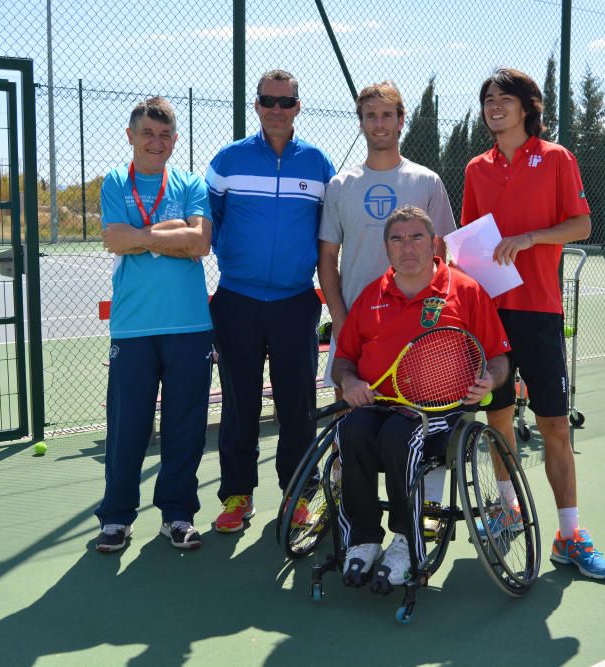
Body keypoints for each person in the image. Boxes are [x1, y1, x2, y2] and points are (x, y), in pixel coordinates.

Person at [461, 67, 605, 579]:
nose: (494, 106)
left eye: (504, 98)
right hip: (489, 315)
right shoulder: (475, 169)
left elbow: (582, 225)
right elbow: (468, 239)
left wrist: (529, 239)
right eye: (487, 100)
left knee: (553, 425)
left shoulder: (556, 159)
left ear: (528, 107)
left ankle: (569, 535)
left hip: (540, 312)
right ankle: (509, 509)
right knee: (498, 419)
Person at [333, 206, 510, 590]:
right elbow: (343, 361)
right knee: (352, 429)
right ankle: (363, 539)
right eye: (397, 239)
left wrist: (490, 381)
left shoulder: (465, 291)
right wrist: (348, 383)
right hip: (379, 405)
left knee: (401, 435)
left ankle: (405, 540)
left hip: (441, 413)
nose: (407, 247)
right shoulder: (371, 296)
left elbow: (498, 358)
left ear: (433, 244)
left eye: (416, 238)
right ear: (387, 249)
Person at [317, 80, 457, 536]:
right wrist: (342, 322)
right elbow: (327, 260)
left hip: (418, 331)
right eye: (370, 116)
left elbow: (445, 254)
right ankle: (344, 509)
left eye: (387, 115)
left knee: (419, 421)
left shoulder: (426, 181)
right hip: (358, 330)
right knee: (349, 424)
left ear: (401, 120)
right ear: (361, 124)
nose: (379, 124)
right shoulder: (341, 184)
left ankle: (424, 509)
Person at [205, 70, 336, 533]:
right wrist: (239, 261)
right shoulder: (229, 160)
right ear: (256, 106)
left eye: (286, 102)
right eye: (268, 101)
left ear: (298, 107)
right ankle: (237, 496)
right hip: (237, 300)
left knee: (296, 404)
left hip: (296, 302)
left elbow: (329, 233)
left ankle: (298, 493)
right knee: (239, 403)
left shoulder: (319, 165)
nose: (277, 110)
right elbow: (211, 223)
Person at [95, 97, 214, 552]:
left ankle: (177, 514)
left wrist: (140, 239)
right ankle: (116, 518)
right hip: (133, 327)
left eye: (165, 135)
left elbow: (200, 242)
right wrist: (166, 234)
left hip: (189, 326)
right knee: (128, 427)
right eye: (147, 133)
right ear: (131, 136)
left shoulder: (190, 182)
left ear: (175, 140)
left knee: (186, 425)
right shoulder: (113, 182)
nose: (156, 142)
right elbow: (113, 239)